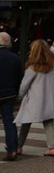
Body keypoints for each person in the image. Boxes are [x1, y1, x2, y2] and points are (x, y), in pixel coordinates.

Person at [15, 39, 54, 157]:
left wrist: (20, 96)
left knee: (26, 121)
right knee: (48, 122)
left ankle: (19, 146)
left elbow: (24, 85)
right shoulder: (53, 64)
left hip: (34, 98)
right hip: (50, 97)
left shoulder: (32, 66)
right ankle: (52, 147)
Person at [0, 32, 24, 160]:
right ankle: (12, 150)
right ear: (8, 42)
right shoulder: (15, 58)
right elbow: (20, 77)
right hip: (9, 94)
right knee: (9, 122)